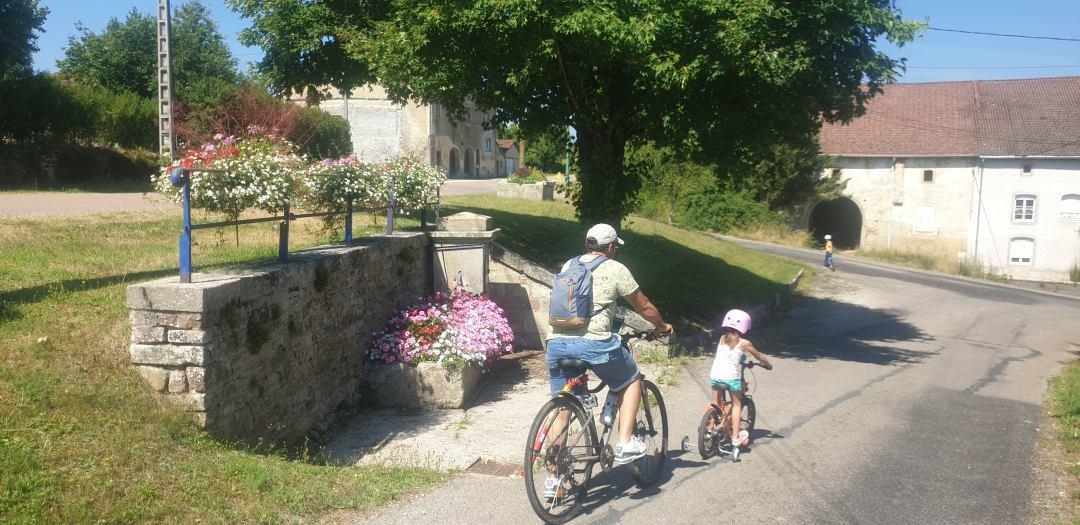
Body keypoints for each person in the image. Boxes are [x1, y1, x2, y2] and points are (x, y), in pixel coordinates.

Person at [546, 223, 673, 466]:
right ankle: (625, 442)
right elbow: (643, 305)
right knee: (631, 379)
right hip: (594, 344)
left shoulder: (568, 265)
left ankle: (554, 479)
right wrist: (661, 325)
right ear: (612, 247)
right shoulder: (616, 269)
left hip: (556, 344)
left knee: (563, 406)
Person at [706, 309, 772, 460]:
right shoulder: (745, 343)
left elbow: (730, 356)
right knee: (737, 405)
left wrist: (743, 360)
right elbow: (758, 355)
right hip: (732, 380)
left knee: (714, 403)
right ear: (744, 326)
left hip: (715, 377)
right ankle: (735, 437)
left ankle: (709, 429)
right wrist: (767, 364)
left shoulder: (723, 338)